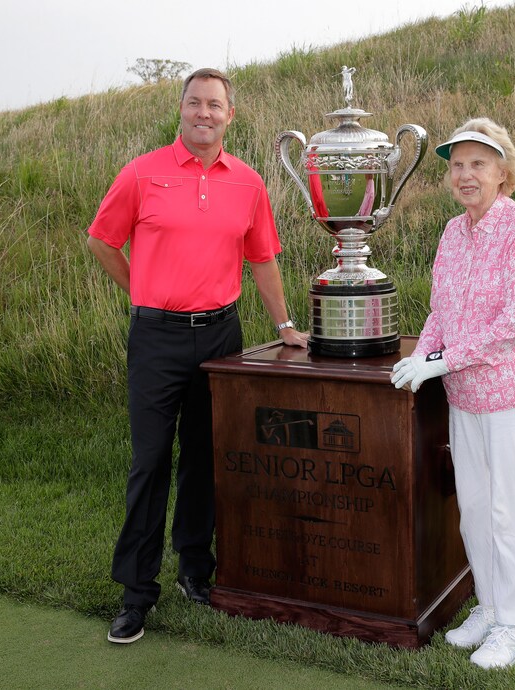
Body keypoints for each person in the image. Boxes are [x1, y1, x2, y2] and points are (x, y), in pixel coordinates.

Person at [87, 67, 308, 645]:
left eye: (215, 105)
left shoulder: (249, 183)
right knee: (150, 462)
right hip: (156, 338)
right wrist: (141, 288)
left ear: (230, 116)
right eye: (194, 103)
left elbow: (261, 259)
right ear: (180, 110)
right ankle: (137, 593)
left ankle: (194, 569)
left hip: (219, 336)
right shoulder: (142, 172)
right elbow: (101, 240)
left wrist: (284, 324)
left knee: (205, 459)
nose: (204, 113)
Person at [391, 118, 515, 669]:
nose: (466, 175)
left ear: (503, 173)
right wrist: (425, 353)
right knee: (473, 512)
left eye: (478, 164)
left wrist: (439, 361)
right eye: (458, 165)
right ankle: (490, 608)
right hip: (468, 394)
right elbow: (442, 309)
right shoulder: (452, 231)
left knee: (508, 511)